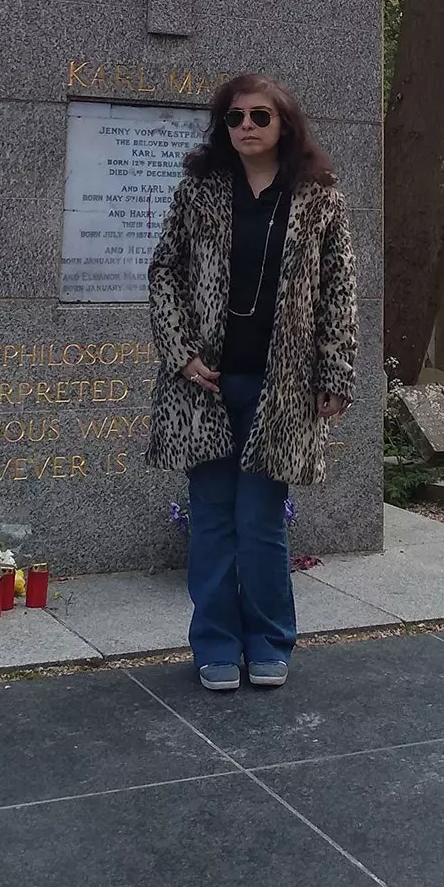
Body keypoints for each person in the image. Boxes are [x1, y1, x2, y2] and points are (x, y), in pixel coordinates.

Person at [146, 74, 356, 690]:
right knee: (211, 519)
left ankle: (269, 639)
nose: (247, 127)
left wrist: (335, 370)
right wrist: (181, 353)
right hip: (204, 386)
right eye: (235, 117)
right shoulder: (199, 192)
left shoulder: (320, 199)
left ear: (284, 124)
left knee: (262, 522)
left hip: (281, 389)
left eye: (260, 116)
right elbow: (164, 271)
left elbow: (339, 292)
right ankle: (214, 643)